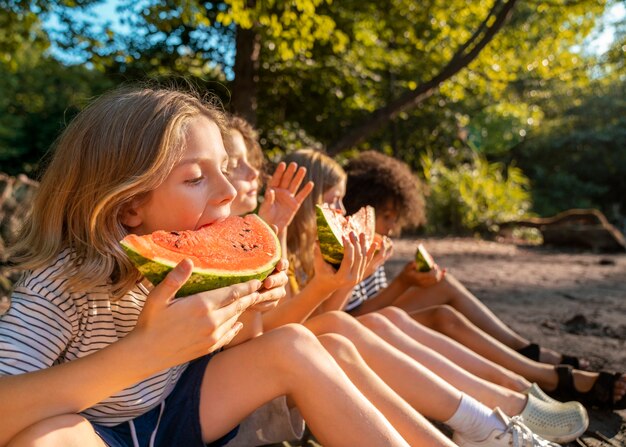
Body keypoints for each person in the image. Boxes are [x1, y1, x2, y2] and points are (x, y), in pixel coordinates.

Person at [0, 86, 422, 447]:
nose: (226, 191)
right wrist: (145, 351)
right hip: (99, 431)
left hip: (178, 406)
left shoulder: (198, 259)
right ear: (129, 205)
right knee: (51, 433)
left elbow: (239, 350)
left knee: (292, 344)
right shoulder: (59, 284)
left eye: (222, 169)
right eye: (195, 178)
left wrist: (253, 309)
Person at [223, 138, 577, 446]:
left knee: (408, 314)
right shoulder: (259, 240)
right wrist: (347, 282)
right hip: (262, 384)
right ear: (308, 198)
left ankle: (507, 399)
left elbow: (307, 321)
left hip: (287, 361)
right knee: (365, 324)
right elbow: (297, 326)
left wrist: (347, 278)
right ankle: (506, 405)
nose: (341, 211)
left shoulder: (286, 240)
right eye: (332, 201)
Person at [342, 150, 626, 410]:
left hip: (376, 319)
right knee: (443, 317)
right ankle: (546, 376)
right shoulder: (341, 247)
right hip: (356, 332)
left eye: (396, 216)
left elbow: (374, 298)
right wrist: (403, 283)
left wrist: (410, 281)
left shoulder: (370, 242)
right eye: (386, 216)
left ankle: (524, 351)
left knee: (442, 285)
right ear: (356, 205)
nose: (393, 226)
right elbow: (351, 316)